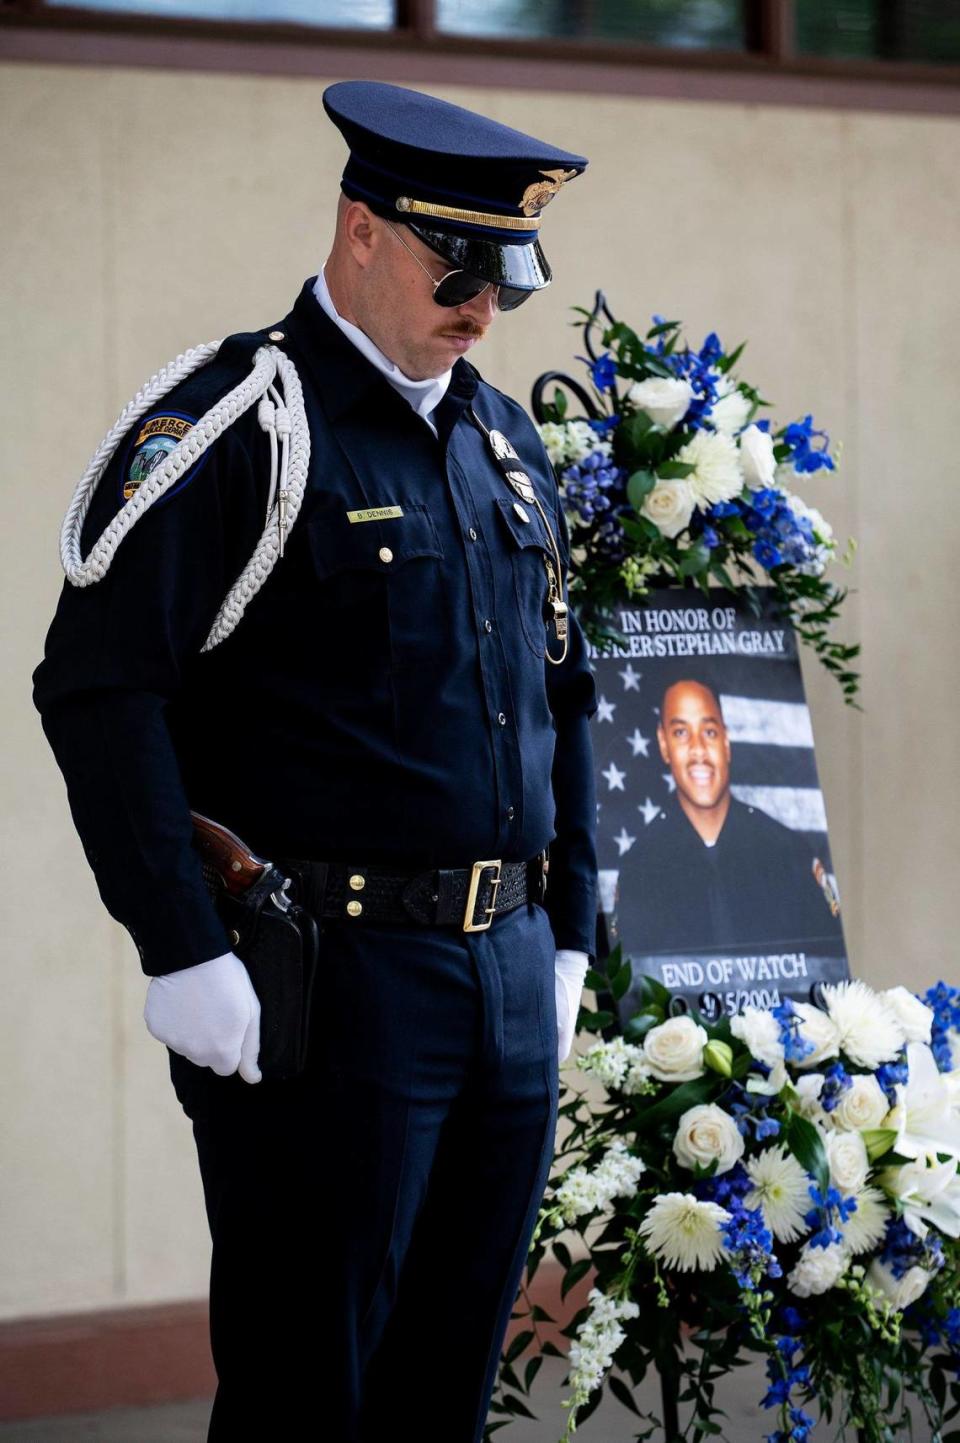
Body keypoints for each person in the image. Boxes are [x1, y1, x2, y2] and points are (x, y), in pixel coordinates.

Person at [31, 79, 599, 1442]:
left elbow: (564, 696)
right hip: (331, 988)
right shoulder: (246, 424)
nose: (481, 309)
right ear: (360, 230)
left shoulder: (506, 445)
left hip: (505, 976)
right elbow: (99, 690)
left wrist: (571, 931)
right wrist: (179, 943)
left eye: (505, 283)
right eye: (458, 269)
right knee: (306, 1385)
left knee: (445, 1378)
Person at [622, 676, 844, 955]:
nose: (698, 750)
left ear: (726, 741)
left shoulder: (788, 853)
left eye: (710, 732)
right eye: (681, 733)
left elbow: (829, 967)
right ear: (663, 744)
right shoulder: (641, 867)